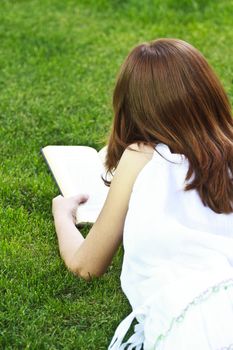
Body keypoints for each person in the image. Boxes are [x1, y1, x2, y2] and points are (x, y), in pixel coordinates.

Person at [52, 38, 233, 349]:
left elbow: (86, 266)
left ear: (132, 108)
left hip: (200, 319)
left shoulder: (140, 156)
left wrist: (63, 215)